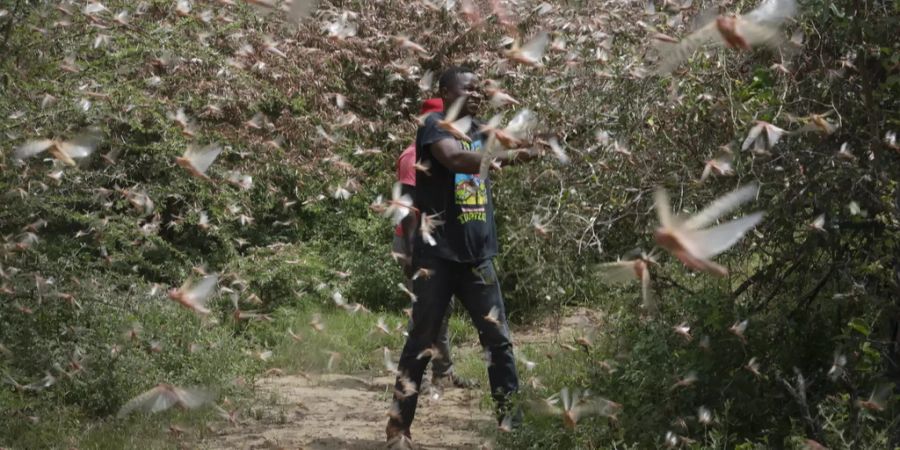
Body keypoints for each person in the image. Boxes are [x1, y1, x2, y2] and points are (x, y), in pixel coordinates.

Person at [386, 66, 538, 448]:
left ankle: (511, 427)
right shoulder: (434, 126)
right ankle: (398, 429)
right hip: (436, 258)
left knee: (499, 343)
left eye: (477, 88)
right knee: (421, 342)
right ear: (445, 90)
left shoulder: (481, 129)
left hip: (477, 258)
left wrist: (534, 145)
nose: (473, 92)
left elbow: (515, 144)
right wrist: (504, 153)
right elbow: (454, 160)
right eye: (465, 87)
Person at [393, 97, 476, 391]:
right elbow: (406, 205)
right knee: (426, 311)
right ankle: (421, 377)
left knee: (443, 309)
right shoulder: (412, 156)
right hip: (413, 240)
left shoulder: (444, 152)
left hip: (436, 240)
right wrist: (412, 250)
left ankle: (443, 371)